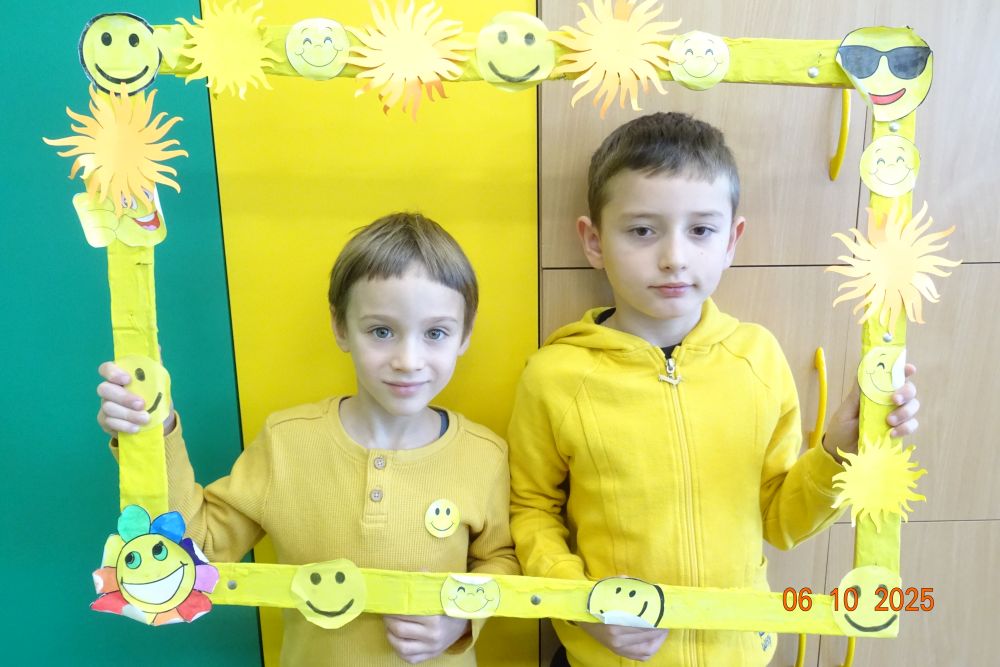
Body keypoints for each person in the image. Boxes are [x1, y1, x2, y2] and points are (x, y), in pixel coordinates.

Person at [507, 113, 920, 667]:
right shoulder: (554, 375)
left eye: (700, 230)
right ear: (594, 241)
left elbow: (781, 521)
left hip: (739, 653)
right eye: (642, 230)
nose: (674, 257)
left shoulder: (758, 359)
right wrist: (581, 604)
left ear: (731, 241)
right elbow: (531, 509)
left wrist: (836, 451)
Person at [97, 212, 519, 666]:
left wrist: (460, 619)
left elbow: (501, 560)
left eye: (435, 333)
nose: (408, 360)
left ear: (464, 334)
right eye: (381, 331)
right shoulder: (286, 442)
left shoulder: (484, 454)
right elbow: (197, 546)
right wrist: (154, 431)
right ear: (341, 327)